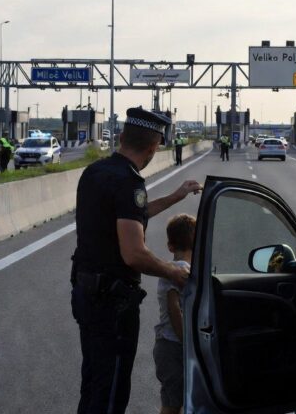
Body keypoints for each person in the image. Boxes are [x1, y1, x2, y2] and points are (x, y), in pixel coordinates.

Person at [71, 106, 202, 414]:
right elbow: (134, 253)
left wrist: (175, 196)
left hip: (86, 295)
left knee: (93, 383)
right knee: (111, 392)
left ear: (121, 137)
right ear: (155, 145)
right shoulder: (129, 182)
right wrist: (172, 271)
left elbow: (129, 216)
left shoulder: (96, 172)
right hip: (112, 305)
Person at [153, 214, 196, 414]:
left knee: (175, 400)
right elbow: (175, 310)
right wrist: (186, 342)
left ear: (170, 246)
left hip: (169, 345)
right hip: (173, 347)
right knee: (172, 404)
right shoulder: (180, 271)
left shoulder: (176, 269)